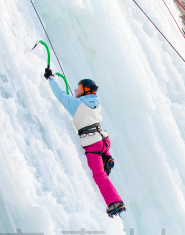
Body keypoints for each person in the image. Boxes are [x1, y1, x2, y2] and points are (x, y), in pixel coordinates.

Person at [44, 67, 125, 218]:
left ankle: (115, 201)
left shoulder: (76, 105)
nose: (75, 89)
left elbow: (61, 95)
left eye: (78, 87)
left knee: (99, 174)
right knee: (101, 149)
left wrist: (51, 78)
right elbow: (82, 102)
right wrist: (77, 96)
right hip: (104, 140)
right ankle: (107, 157)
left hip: (92, 143)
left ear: (84, 90)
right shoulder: (96, 102)